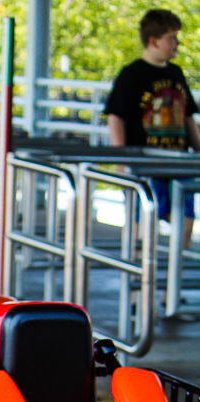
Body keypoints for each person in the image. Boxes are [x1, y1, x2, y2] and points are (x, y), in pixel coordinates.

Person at [104, 9, 200, 246]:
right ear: (153, 41)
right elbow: (116, 117)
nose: (176, 43)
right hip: (145, 160)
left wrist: (198, 148)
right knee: (143, 218)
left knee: (186, 219)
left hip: (178, 160)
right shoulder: (132, 74)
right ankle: (137, 269)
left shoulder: (175, 73)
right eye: (171, 37)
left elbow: (187, 115)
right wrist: (121, 159)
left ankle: (175, 271)